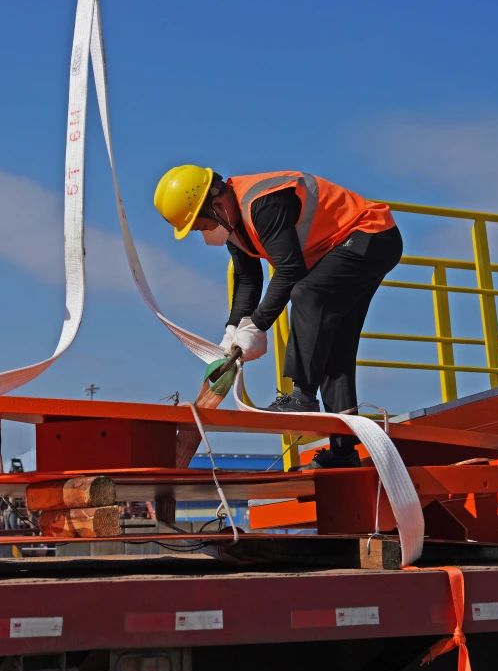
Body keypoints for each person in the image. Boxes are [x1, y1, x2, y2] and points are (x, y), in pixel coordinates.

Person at [153, 166, 402, 469]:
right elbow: (247, 281)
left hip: (370, 235)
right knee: (332, 346)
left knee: (307, 294)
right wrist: (233, 329)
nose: (205, 232)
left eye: (202, 224)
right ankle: (343, 452)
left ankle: (303, 397)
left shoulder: (263, 204)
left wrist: (257, 325)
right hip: (346, 247)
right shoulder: (234, 225)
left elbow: (289, 269)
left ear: (216, 205)